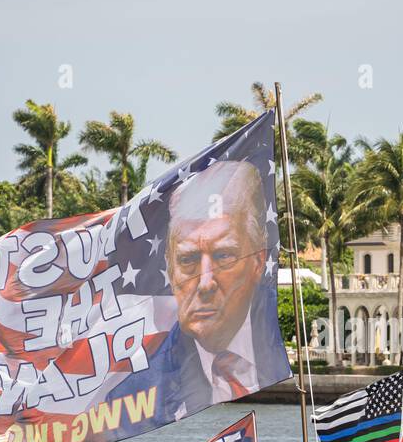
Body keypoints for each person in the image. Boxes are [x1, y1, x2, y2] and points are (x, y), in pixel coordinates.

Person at [107, 159, 291, 425]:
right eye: (188, 260)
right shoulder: (135, 397)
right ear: (170, 268)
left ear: (258, 261)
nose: (205, 283)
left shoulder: (278, 334)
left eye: (224, 256)